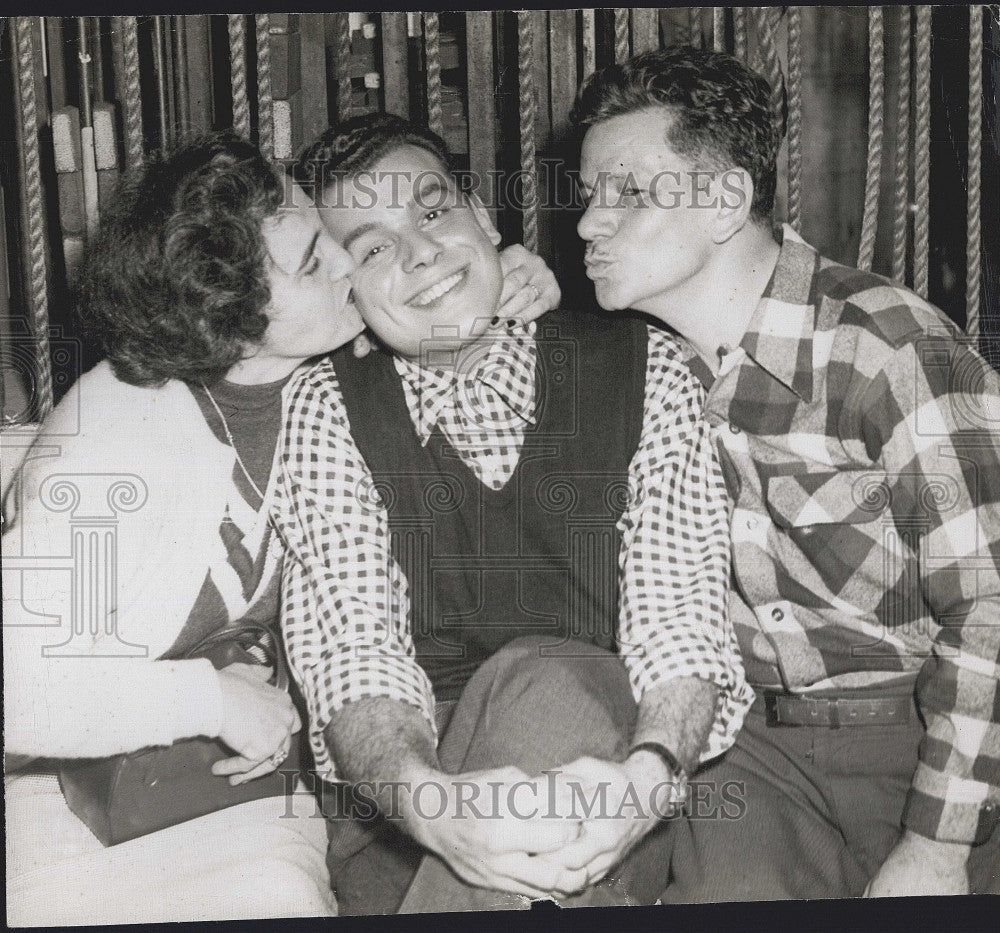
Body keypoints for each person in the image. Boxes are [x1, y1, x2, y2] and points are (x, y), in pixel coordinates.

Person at [2, 130, 556, 925]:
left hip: (241, 794)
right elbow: (16, 690)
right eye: (313, 263)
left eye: (328, 241)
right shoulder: (110, 444)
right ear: (229, 323)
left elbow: (449, 319)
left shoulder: (310, 369)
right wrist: (211, 701)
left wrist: (514, 286)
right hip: (66, 800)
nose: (346, 266)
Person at [271, 112, 753, 914]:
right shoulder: (328, 405)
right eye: (374, 246)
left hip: (609, 796)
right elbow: (356, 652)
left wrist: (647, 778)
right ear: (345, 290)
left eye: (432, 212)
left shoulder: (643, 368)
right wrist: (438, 811)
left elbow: (682, 624)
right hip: (407, 813)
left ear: (485, 221)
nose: (421, 252)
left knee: (549, 678)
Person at [571, 45, 1000, 899]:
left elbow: (990, 607)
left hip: (928, 733)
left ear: (729, 199)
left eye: (626, 192)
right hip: (753, 753)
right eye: (588, 194)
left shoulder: (887, 348)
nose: (587, 221)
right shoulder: (631, 364)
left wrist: (939, 846)